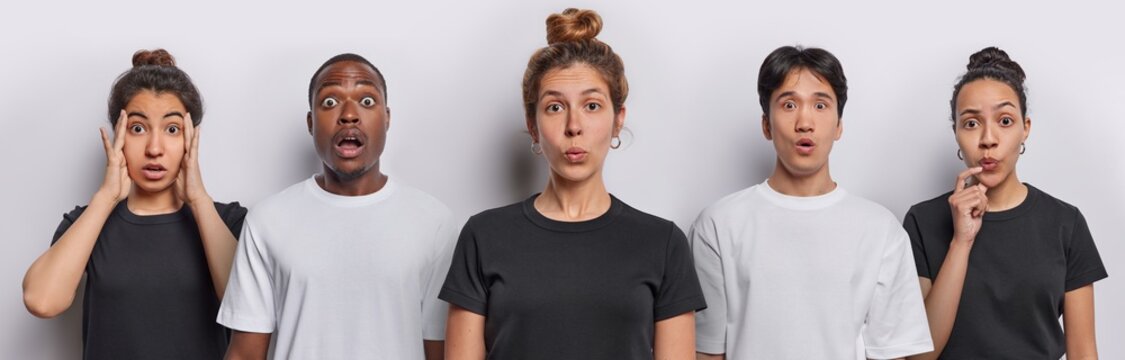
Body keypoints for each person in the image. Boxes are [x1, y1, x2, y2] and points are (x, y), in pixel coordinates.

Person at [441, 8, 706, 360]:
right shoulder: (483, 236)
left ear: (618, 120)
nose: (574, 126)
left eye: (592, 105)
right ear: (532, 126)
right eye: (555, 107)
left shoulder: (663, 243)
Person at [691, 46, 933, 359]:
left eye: (820, 105)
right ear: (766, 125)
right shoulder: (719, 224)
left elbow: (891, 353)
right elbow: (706, 352)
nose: (805, 122)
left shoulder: (880, 229)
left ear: (839, 125)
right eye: (789, 104)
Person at [218, 53, 456, 360]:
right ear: (311, 123)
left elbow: (441, 350)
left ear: (387, 118)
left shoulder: (433, 222)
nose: (349, 115)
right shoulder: (267, 221)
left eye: (366, 101)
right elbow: (244, 355)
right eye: (330, 102)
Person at [22, 49, 246, 359]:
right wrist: (106, 197)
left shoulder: (227, 221)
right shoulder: (88, 222)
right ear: (119, 136)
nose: (154, 148)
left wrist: (199, 200)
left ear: (191, 138)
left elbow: (248, 308)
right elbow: (42, 302)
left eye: (172, 129)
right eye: (138, 128)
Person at [904, 47, 1106, 360]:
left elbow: (1083, 352)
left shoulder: (1065, 223)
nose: (988, 138)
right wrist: (961, 242)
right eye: (971, 123)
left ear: (1025, 128)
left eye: (1005, 120)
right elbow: (920, 356)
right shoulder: (922, 221)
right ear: (956, 133)